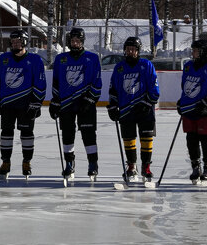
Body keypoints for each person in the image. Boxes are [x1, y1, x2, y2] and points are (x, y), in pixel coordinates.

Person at [0, 28, 47, 178]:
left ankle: (26, 162)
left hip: (26, 104)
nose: (15, 44)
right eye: (13, 41)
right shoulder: (4, 58)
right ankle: (5, 162)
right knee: (6, 133)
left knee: (27, 134)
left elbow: (40, 83)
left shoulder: (35, 60)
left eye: (18, 41)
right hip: (7, 103)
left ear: (25, 42)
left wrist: (36, 103)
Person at [49, 27, 102, 179]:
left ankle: (93, 164)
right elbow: (56, 82)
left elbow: (97, 82)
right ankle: (69, 164)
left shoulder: (92, 58)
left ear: (82, 41)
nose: (75, 43)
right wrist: (55, 102)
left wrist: (90, 100)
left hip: (86, 103)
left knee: (89, 135)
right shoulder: (61, 59)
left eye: (78, 41)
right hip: (66, 104)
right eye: (72, 41)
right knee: (67, 135)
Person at [107, 36, 160, 183]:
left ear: (138, 51)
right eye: (128, 49)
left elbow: (154, 87)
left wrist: (148, 103)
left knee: (146, 139)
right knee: (129, 139)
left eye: (133, 49)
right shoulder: (120, 68)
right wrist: (112, 106)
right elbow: (113, 89)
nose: (130, 52)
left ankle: (146, 167)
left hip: (145, 109)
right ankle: (131, 166)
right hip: (126, 110)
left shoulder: (146, 65)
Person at [177, 38, 207, 183]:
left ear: (204, 52)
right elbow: (184, 86)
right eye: (193, 50)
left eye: (196, 51)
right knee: (191, 138)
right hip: (189, 108)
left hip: (206, 108)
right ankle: (195, 167)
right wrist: (182, 102)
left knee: (206, 138)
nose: (193, 53)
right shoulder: (188, 66)